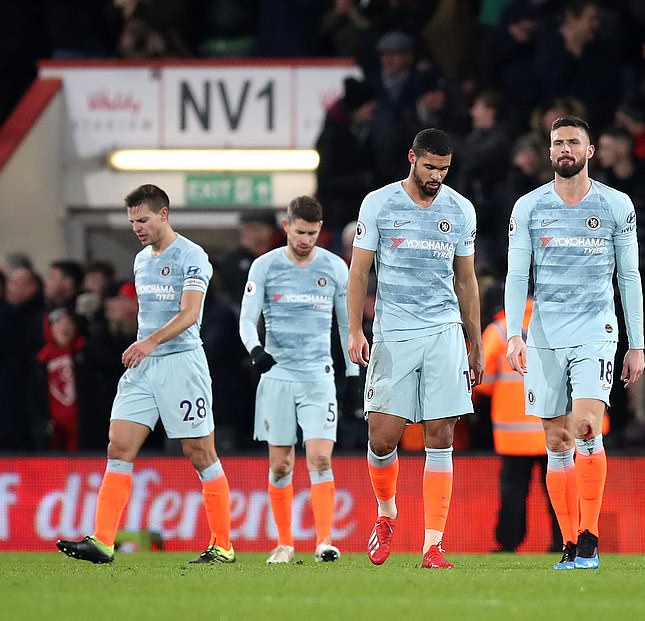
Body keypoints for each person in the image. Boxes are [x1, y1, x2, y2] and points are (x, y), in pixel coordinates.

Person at [57, 184, 234, 564]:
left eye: (143, 219)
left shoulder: (192, 256)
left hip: (181, 364)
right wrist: (145, 345)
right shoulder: (141, 260)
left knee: (200, 452)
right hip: (144, 365)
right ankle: (103, 541)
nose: (136, 227)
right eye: (132, 221)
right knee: (118, 446)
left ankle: (223, 544)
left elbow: (189, 314)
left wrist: (149, 342)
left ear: (164, 214)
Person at [505, 115, 645, 570]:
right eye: (558, 142)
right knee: (556, 439)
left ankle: (590, 538)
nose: (565, 149)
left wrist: (636, 343)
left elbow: (629, 276)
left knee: (586, 427)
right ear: (549, 152)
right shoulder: (527, 207)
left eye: (573, 142)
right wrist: (513, 334)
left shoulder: (616, 205)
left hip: (595, 332)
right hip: (545, 335)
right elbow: (515, 275)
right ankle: (567, 543)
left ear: (590, 152)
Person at [347, 128, 483, 569]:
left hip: (443, 330)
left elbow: (466, 279)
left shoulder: (460, 209)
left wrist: (475, 342)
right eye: (429, 167)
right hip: (394, 333)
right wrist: (354, 330)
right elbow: (359, 272)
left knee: (440, 434)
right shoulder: (380, 203)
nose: (436, 177)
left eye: (444, 169)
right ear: (412, 158)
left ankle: (433, 545)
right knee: (382, 438)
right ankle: (386, 514)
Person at [239, 195, 359, 564]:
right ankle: (284, 543)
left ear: (320, 229)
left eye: (312, 232)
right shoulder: (264, 266)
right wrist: (255, 350)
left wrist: (352, 372)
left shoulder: (335, 268)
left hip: (317, 376)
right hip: (277, 376)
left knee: (320, 459)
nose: (305, 239)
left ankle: (324, 541)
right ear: (287, 226)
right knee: (281, 465)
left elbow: (346, 324)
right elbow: (246, 318)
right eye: (299, 231)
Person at [477, 294, 562, 553]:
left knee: (513, 492)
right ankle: (563, 542)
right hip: (553, 427)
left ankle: (508, 543)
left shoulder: (501, 329)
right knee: (558, 490)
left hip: (513, 432)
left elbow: (482, 375)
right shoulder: (557, 324)